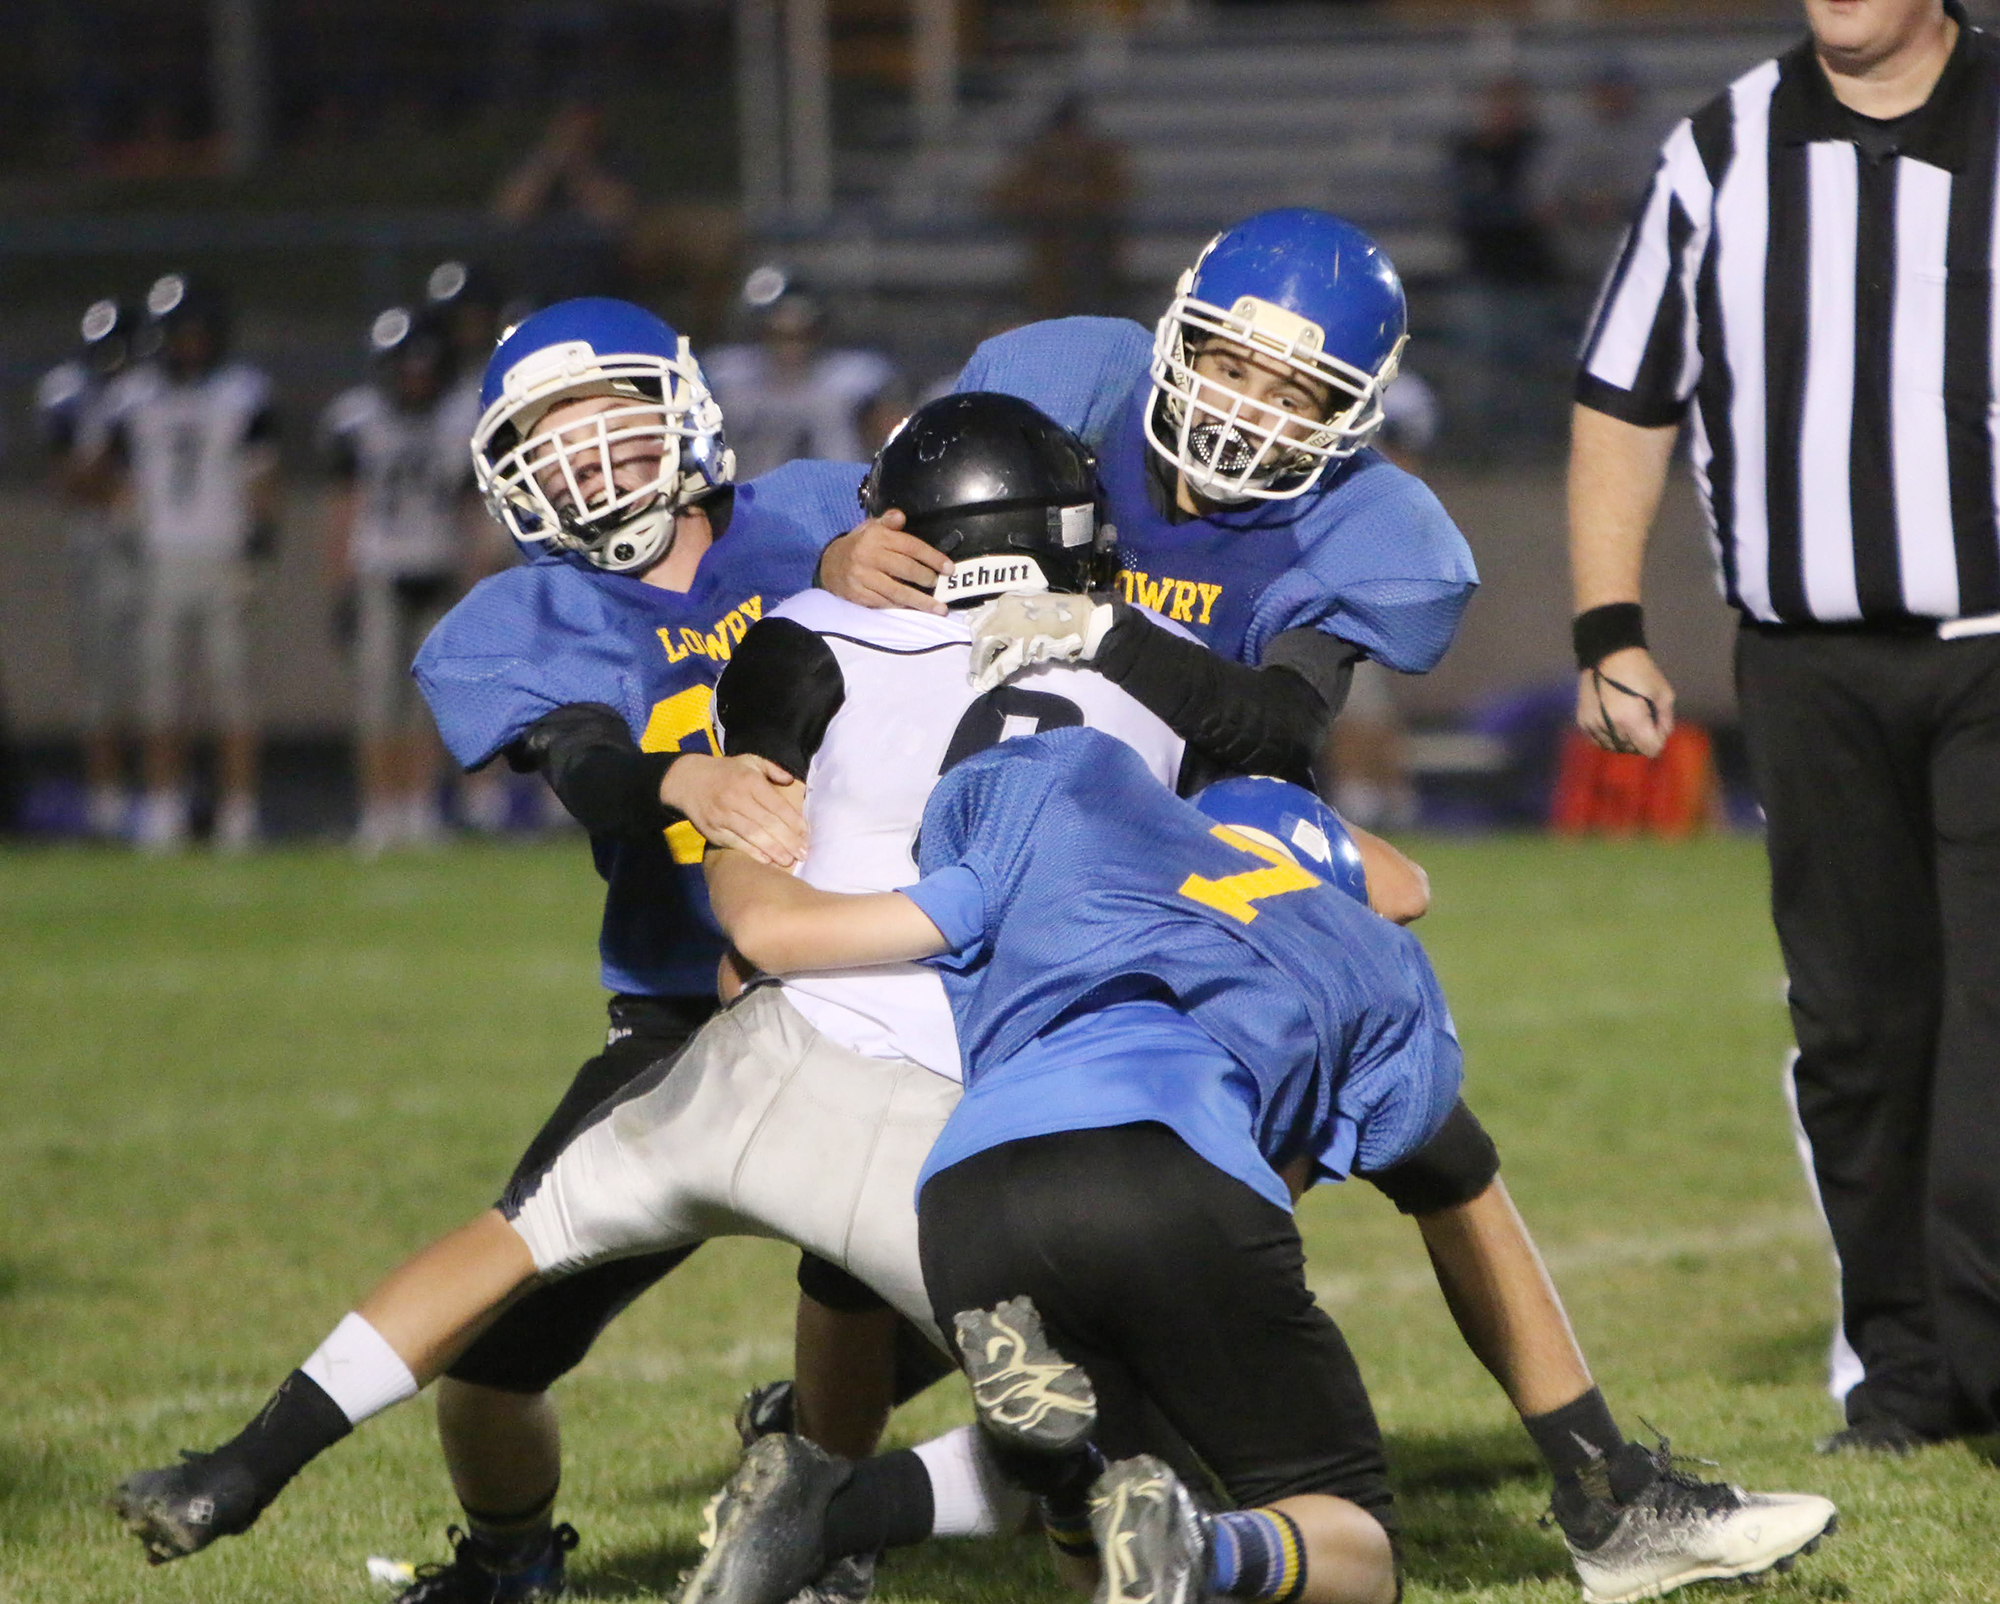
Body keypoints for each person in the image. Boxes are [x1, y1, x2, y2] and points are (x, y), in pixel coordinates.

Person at [813, 207, 1823, 1596]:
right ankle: (844, 1492)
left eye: (1298, 395)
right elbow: (855, 530)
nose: (1247, 410)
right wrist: (841, 557)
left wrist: (1113, 634)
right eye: (1233, 364)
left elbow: (1283, 727)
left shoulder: (1371, 526)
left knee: (1428, 1143)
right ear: (1174, 338)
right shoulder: (1069, 380)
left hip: (1200, 833)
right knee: (976, 1199)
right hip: (1003, 843)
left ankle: (1598, 1484)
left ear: (1351, 418)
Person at [109, 390, 1184, 1595]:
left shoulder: (812, 514)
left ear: (686, 416)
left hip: (860, 995)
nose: (590, 461)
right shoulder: (524, 613)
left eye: (609, 423)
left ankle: (829, 1531)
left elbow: (951, 505)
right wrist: (682, 779)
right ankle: (520, 1551)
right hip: (694, 1004)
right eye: (550, 442)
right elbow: (587, 767)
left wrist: (842, 553)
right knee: (503, 1359)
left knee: (842, 1282)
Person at [675, 731, 1832, 1604]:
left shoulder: (1066, 869)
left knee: (1100, 1497)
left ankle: (839, 1497)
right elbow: (1407, 998)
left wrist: (721, 827)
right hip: (1168, 1170)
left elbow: (771, 955)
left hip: (962, 1186)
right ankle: (1207, 1541)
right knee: (1346, 1539)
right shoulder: (1354, 943)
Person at [1567, 0, 2000, 1454]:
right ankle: (1910, 1375)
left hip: (1998, 654)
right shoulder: (1721, 147)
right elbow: (1626, 393)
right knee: (1860, 1035)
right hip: (1808, 669)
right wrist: (1607, 622)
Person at [87, 274, 279, 852]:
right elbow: (111, 478)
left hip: (223, 555)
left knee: (234, 694)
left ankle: (239, 812)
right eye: (181, 334)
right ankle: (164, 808)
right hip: (161, 558)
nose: (190, 344)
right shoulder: (132, 397)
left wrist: (258, 546)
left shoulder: (243, 392)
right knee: (162, 695)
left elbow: (262, 477)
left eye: (199, 334)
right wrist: (127, 530)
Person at [320, 307, 479, 853]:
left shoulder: (461, 418)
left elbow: (469, 508)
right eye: (406, 369)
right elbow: (345, 505)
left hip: (437, 568)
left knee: (429, 703)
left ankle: (417, 809)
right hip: (380, 570)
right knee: (377, 703)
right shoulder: (359, 419)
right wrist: (339, 580)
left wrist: (473, 580)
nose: (415, 380)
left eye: (423, 369)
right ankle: (378, 812)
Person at [34, 297, 142, 837]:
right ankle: (106, 803)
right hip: (100, 546)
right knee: (101, 686)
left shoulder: (159, 393)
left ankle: (169, 802)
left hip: (158, 545)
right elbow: (71, 485)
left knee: (166, 682)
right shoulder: (72, 394)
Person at [1447, 76, 1567, 453]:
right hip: (1484, 274)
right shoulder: (1468, 152)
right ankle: (1481, 450)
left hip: (1530, 276)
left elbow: (1547, 208)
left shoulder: (1538, 149)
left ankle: (1534, 449)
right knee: (1481, 370)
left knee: (1533, 370)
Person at [703, 270, 905, 480]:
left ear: (819, 331)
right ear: (760, 332)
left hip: (835, 502)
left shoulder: (855, 379)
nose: (789, 347)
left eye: (800, 335)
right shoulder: (726, 377)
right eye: (779, 335)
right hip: (744, 502)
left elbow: (897, 444)